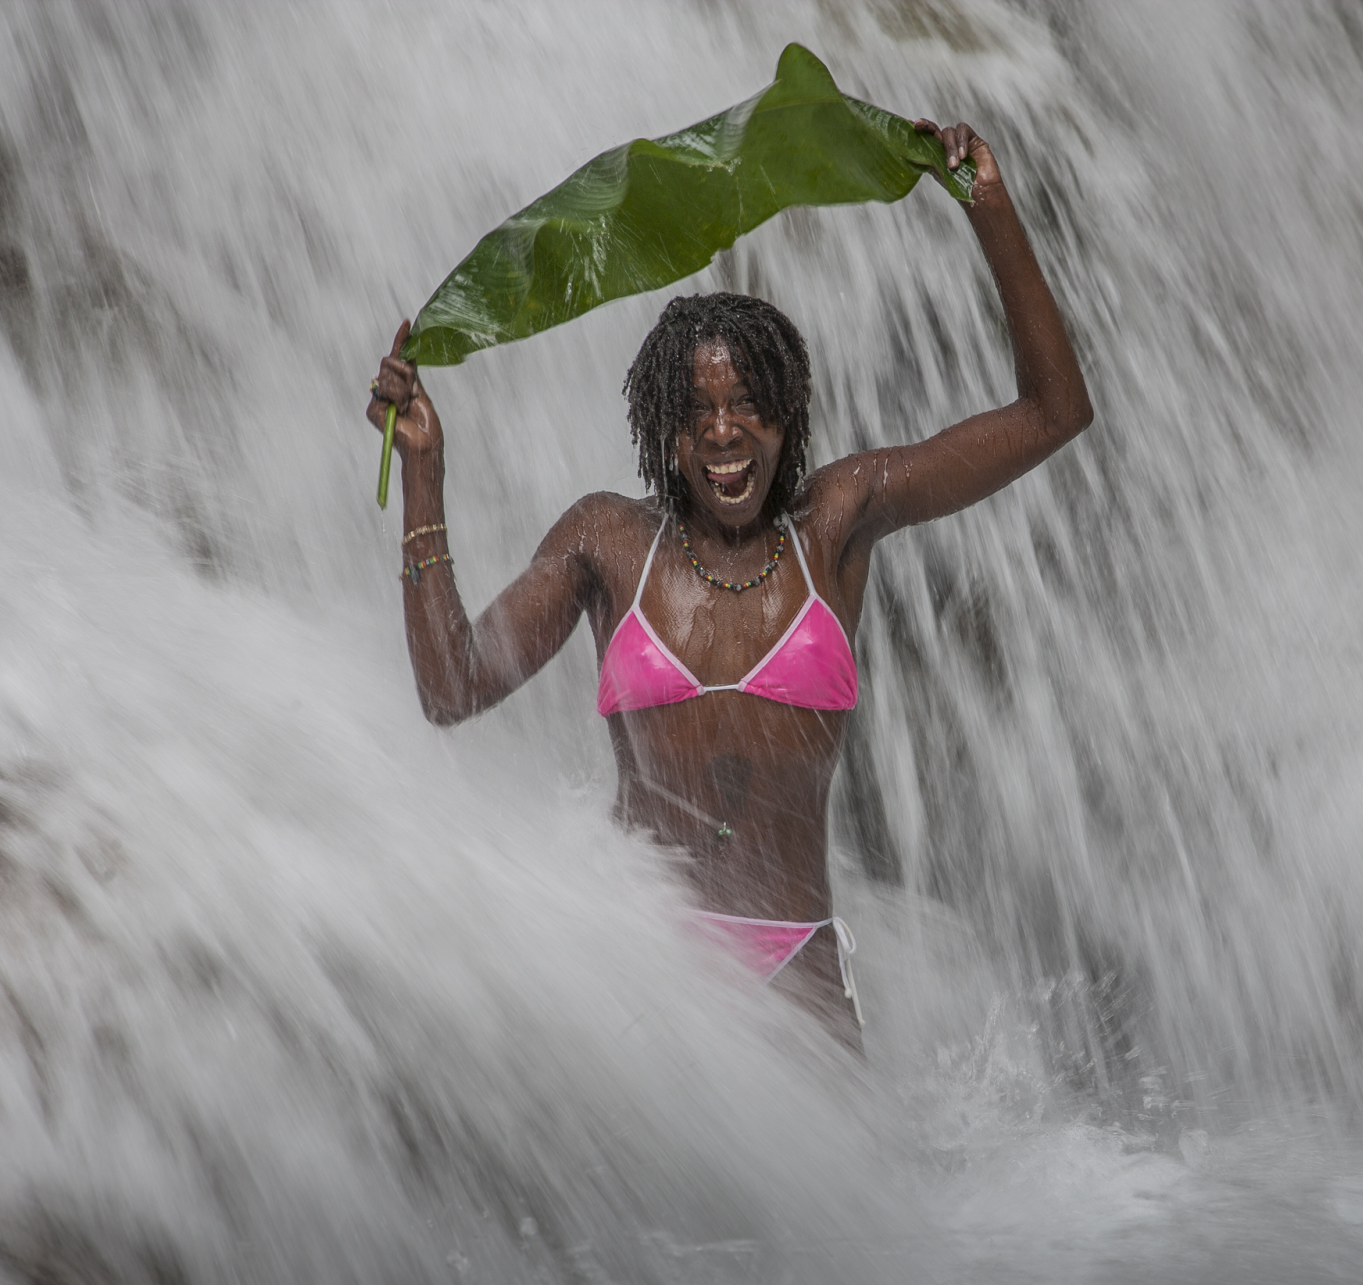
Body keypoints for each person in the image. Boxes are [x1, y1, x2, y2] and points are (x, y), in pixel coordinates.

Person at [365, 120, 1092, 1046]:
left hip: (798, 970)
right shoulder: (606, 540)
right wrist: (424, 473)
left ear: (788, 415)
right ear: (662, 432)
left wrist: (986, 203)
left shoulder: (838, 520)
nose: (721, 430)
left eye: (748, 402)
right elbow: (451, 686)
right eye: (696, 410)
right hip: (645, 968)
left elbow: (1053, 412)